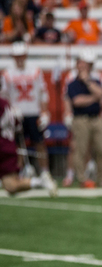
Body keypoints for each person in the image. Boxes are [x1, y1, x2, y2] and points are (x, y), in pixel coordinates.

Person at [1, 42, 52, 184]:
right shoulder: (7, 73)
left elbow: (42, 92)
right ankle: (19, 172)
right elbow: (4, 96)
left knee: (39, 142)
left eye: (21, 56)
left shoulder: (35, 70)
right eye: (17, 56)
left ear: (25, 56)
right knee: (17, 146)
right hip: (16, 114)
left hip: (33, 111)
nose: (19, 59)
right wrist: (10, 110)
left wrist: (44, 112)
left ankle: (45, 172)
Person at [0, 97, 57, 197]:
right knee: (11, 186)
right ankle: (39, 182)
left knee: (10, 184)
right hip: (8, 146)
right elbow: (17, 126)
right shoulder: (6, 104)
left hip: (3, 147)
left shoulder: (2, 104)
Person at [66, 50, 102, 188]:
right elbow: (77, 101)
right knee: (81, 150)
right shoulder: (72, 84)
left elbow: (101, 94)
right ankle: (82, 178)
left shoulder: (96, 81)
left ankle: (101, 178)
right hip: (81, 119)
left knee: (101, 149)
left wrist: (88, 82)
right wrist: (94, 98)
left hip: (96, 118)